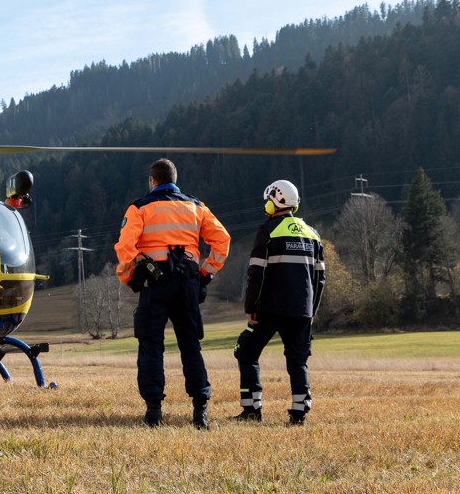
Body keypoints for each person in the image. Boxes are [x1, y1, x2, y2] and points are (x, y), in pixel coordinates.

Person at [115, 158, 231, 429]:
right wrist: (205, 274)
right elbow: (222, 240)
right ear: (174, 180)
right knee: (191, 345)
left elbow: (124, 248)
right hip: (188, 282)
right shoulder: (196, 207)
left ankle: (154, 413)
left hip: (155, 283)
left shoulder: (139, 208)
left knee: (151, 346)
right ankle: (200, 410)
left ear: (152, 180)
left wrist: (130, 277)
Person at [233, 179, 325, 426]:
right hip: (302, 311)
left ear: (276, 201)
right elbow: (320, 279)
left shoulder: (268, 230)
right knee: (297, 361)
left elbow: (256, 274)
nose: (266, 206)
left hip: (270, 308)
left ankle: (252, 410)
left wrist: (251, 307)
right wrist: (312, 310)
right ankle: (299, 413)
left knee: (246, 352)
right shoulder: (313, 235)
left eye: (268, 201)